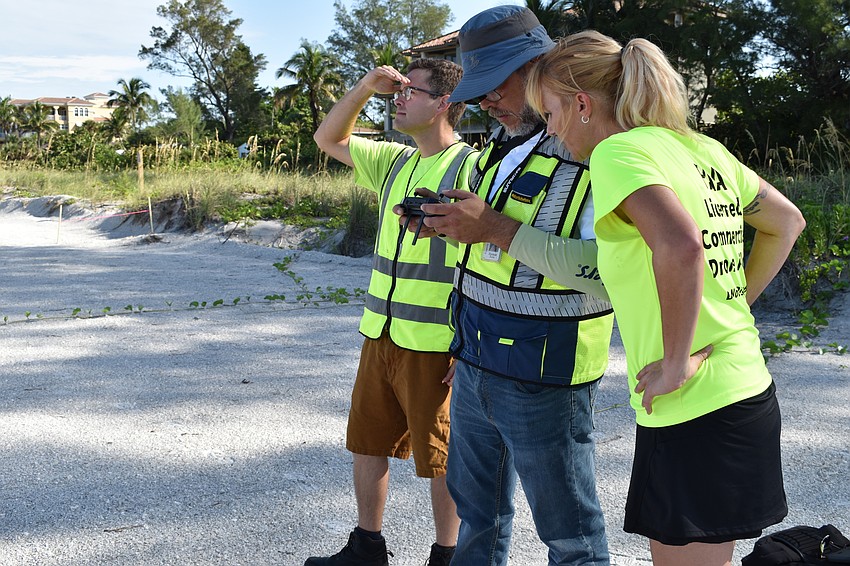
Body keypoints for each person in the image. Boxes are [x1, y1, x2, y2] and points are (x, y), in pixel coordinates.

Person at [525, 30, 806, 565]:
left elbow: (680, 245)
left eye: (551, 113)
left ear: (582, 104)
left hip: (694, 406)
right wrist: (733, 308)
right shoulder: (702, 148)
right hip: (743, 389)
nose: (552, 131)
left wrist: (676, 363)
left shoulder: (617, 152)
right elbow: (786, 222)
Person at [403, 6, 615, 565]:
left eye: (495, 85)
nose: (485, 102)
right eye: (477, 91)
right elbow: (498, 251)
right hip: (477, 358)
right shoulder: (504, 144)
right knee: (477, 515)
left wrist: (494, 227)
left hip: (547, 371)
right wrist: (450, 226)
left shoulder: (595, 150)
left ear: (538, 68)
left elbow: (612, 276)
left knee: (570, 536)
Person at [307, 58, 476, 566]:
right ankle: (368, 548)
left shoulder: (471, 168)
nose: (398, 99)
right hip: (380, 332)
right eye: (397, 91)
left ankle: (447, 556)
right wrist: (365, 86)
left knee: (441, 458)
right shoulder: (394, 161)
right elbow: (328, 138)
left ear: (444, 103)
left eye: (410, 91)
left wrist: (469, 343)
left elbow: (489, 259)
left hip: (436, 341)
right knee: (367, 441)